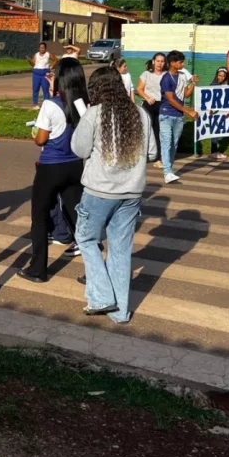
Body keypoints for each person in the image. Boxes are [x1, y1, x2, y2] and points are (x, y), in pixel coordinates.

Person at [73, 66, 158, 323]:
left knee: (86, 239)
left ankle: (101, 297)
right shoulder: (140, 113)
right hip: (131, 193)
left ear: (95, 90)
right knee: (121, 250)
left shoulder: (94, 114)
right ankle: (120, 312)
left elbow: (79, 149)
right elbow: (152, 153)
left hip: (99, 190)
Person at [18, 58, 88, 283]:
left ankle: (38, 269)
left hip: (51, 166)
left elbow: (41, 139)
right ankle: (93, 268)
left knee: (39, 216)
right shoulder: (83, 104)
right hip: (75, 165)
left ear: (60, 78)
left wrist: (36, 133)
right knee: (78, 216)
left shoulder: (50, 105)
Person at [159, 50, 197, 184]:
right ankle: (167, 172)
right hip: (166, 114)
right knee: (166, 142)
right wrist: (188, 111)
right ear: (172, 63)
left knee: (174, 144)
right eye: (180, 62)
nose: (183, 64)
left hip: (178, 116)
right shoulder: (166, 78)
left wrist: (193, 83)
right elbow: (171, 99)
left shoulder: (182, 76)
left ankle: (169, 169)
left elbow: (185, 94)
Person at [136, 53, 167, 170]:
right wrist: (147, 97)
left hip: (161, 105)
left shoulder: (166, 75)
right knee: (146, 130)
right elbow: (139, 89)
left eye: (162, 61)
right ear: (153, 61)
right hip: (148, 105)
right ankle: (142, 155)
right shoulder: (146, 74)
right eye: (158, 61)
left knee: (159, 131)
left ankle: (158, 157)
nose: (160, 63)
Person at [208, 68, 229, 161]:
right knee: (215, 132)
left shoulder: (226, 85)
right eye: (219, 75)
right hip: (214, 112)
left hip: (222, 111)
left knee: (219, 131)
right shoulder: (213, 85)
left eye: (223, 76)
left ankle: (215, 151)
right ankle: (214, 152)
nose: (221, 77)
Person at [28, 41, 54, 108]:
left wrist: (52, 67)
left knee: (45, 89)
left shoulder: (48, 54)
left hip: (45, 73)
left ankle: (47, 104)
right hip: (36, 73)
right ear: (39, 48)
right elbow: (33, 64)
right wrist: (29, 60)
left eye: (43, 48)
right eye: (40, 48)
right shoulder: (36, 55)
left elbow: (56, 60)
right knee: (35, 89)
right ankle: (35, 104)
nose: (41, 49)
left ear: (45, 48)